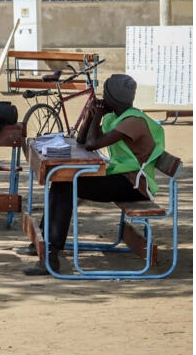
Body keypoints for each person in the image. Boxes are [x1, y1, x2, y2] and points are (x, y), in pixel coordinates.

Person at [21, 74, 165, 276]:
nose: (102, 96)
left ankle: (51, 254)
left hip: (135, 186)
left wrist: (97, 117)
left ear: (113, 97)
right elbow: (81, 140)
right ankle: (46, 243)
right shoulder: (117, 116)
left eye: (105, 93)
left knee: (66, 184)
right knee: (61, 180)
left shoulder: (132, 121)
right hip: (123, 178)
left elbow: (91, 144)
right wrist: (90, 114)